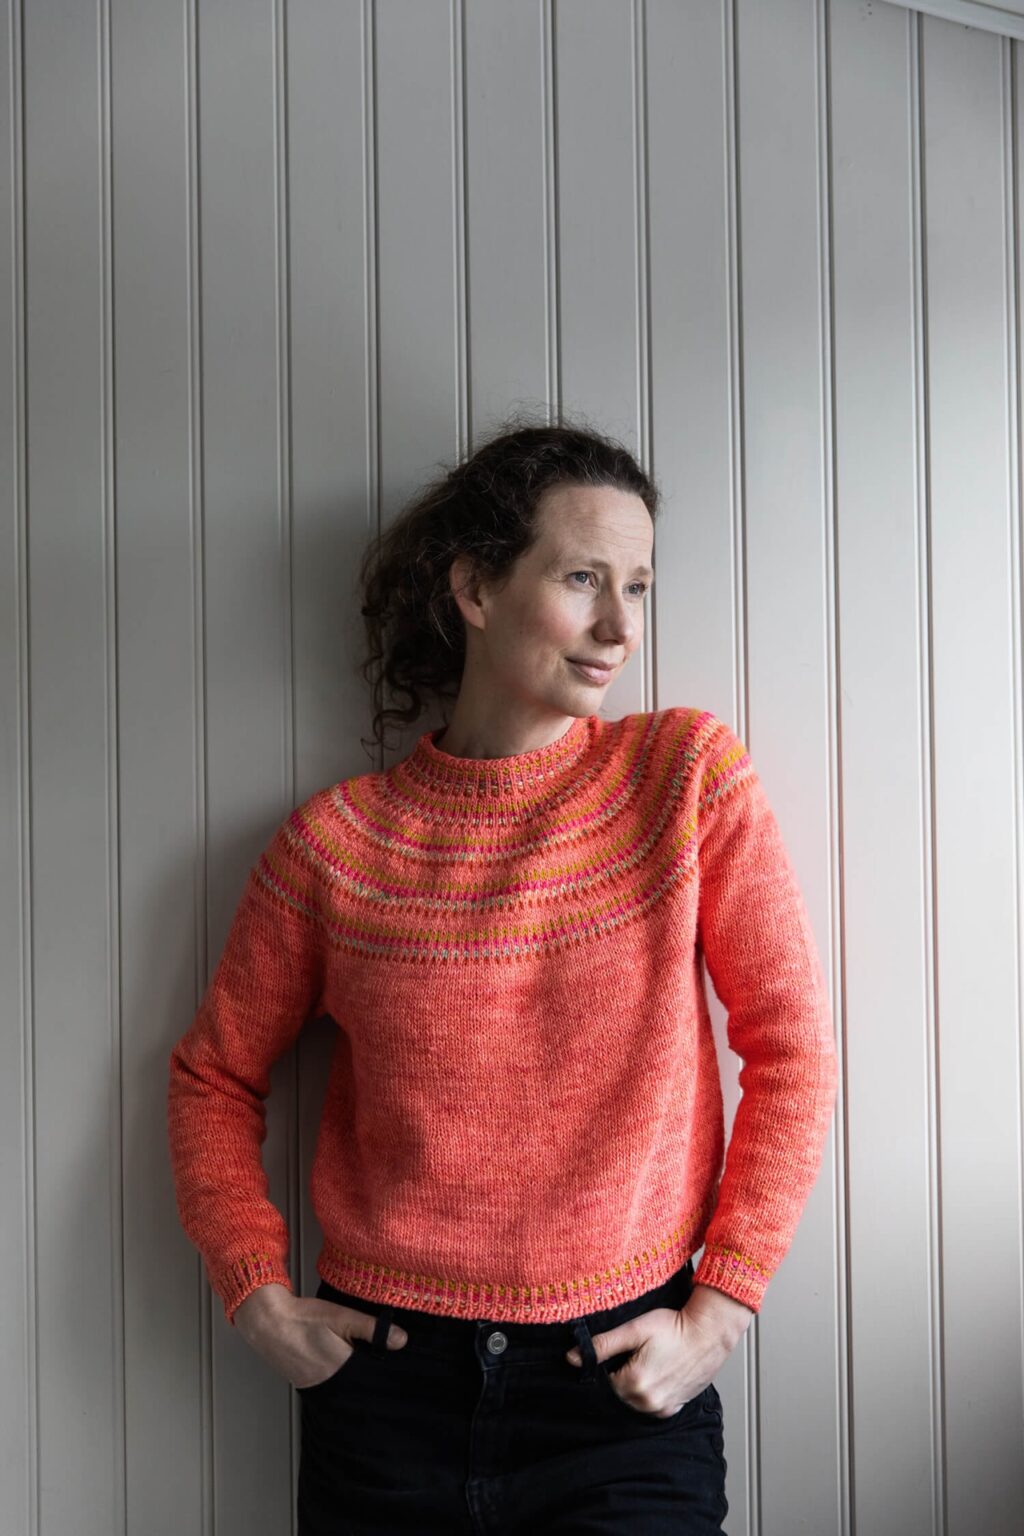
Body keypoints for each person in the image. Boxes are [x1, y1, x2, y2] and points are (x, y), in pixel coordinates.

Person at [167, 418, 838, 1534]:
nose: (621, 626)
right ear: (475, 587)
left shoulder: (682, 779)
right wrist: (255, 1292)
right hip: (386, 1396)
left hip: (621, 1386)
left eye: (638, 586)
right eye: (583, 580)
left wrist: (723, 1306)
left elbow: (793, 1049)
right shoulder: (336, 846)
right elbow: (212, 1076)